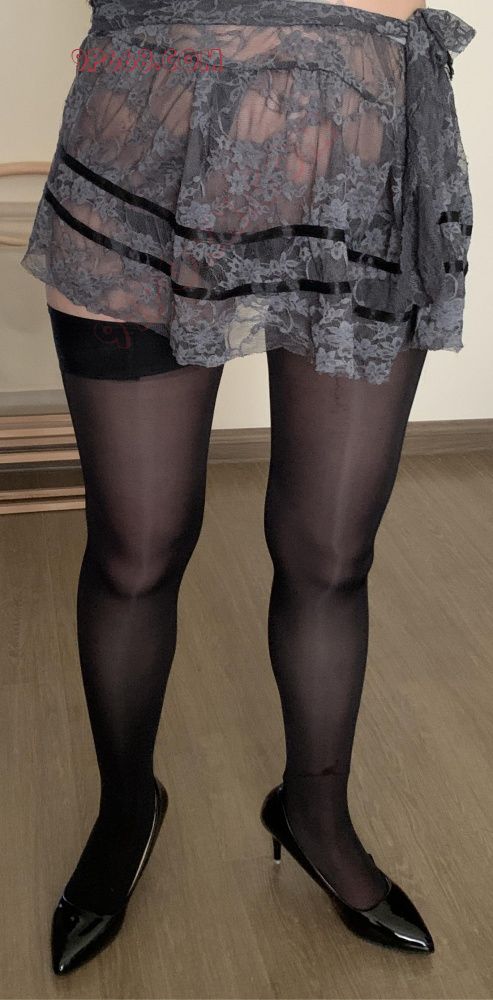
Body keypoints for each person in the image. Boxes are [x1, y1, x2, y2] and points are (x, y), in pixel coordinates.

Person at [21, 0, 475, 976]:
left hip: (358, 166)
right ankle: (126, 808)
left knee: (330, 554)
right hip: (144, 151)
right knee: (136, 550)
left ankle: (314, 815)